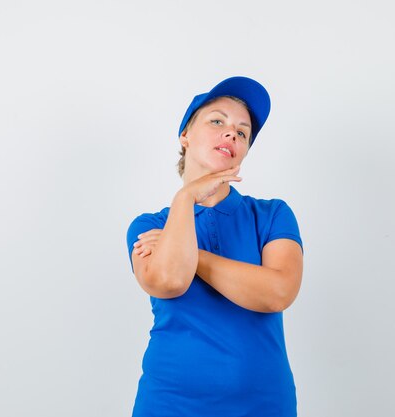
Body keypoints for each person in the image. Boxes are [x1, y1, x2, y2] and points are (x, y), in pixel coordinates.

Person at [126, 76, 304, 417]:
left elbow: (277, 292)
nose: (231, 134)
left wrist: (197, 257)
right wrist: (186, 198)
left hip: (263, 404)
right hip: (169, 404)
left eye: (242, 131)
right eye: (217, 121)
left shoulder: (272, 215)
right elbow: (168, 281)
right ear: (185, 136)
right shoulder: (149, 227)